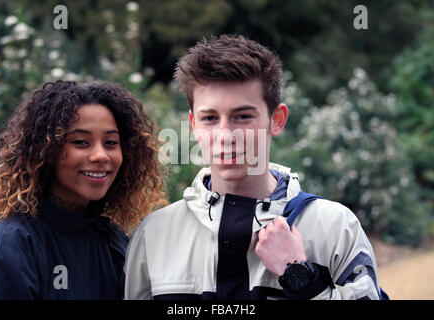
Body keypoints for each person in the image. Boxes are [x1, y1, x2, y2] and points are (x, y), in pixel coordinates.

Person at [124, 34, 385, 300]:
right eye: (210, 118)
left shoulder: (335, 227)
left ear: (277, 120)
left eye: (242, 116)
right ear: (193, 125)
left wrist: (300, 277)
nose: (225, 135)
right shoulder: (153, 234)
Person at [0, 80, 166, 299]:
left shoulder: (115, 242)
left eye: (111, 142)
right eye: (81, 142)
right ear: (46, 151)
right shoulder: (9, 244)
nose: (101, 156)